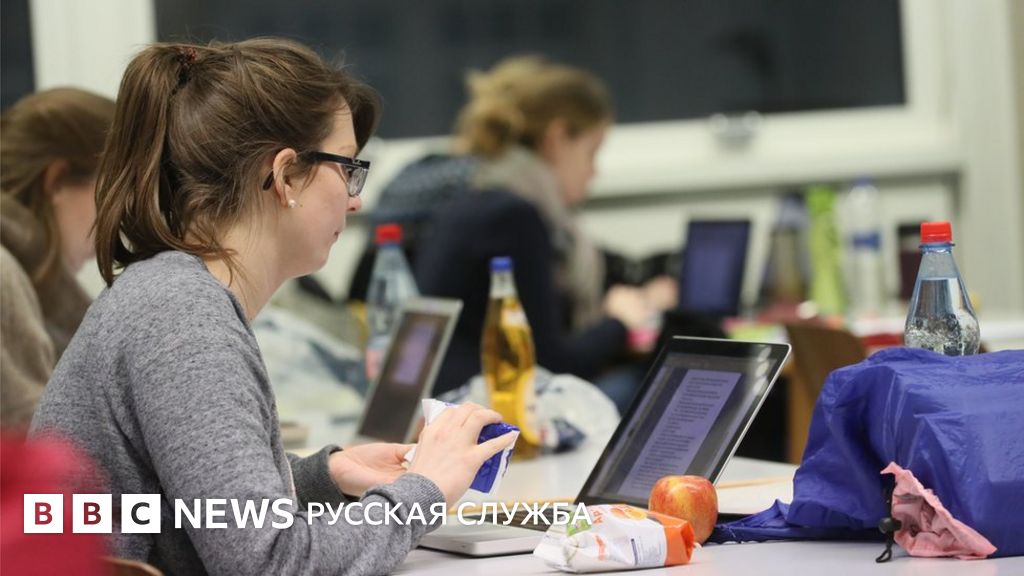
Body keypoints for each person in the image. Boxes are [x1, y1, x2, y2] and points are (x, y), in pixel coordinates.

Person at [30, 38, 516, 575]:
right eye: (347, 168)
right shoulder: (181, 317)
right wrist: (426, 490)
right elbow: (269, 562)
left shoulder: (170, 294)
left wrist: (319, 479)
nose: (355, 199)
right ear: (284, 177)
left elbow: (183, 514)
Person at [392, 56, 675, 399]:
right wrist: (618, 322)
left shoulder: (480, 196)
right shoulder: (513, 217)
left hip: (451, 395)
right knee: (653, 382)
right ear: (558, 139)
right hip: (479, 404)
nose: (594, 172)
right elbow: (547, 366)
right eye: (591, 152)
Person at [1, 87, 115, 431]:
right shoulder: (4, 276)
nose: (114, 223)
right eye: (108, 196)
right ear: (57, 181)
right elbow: (32, 447)